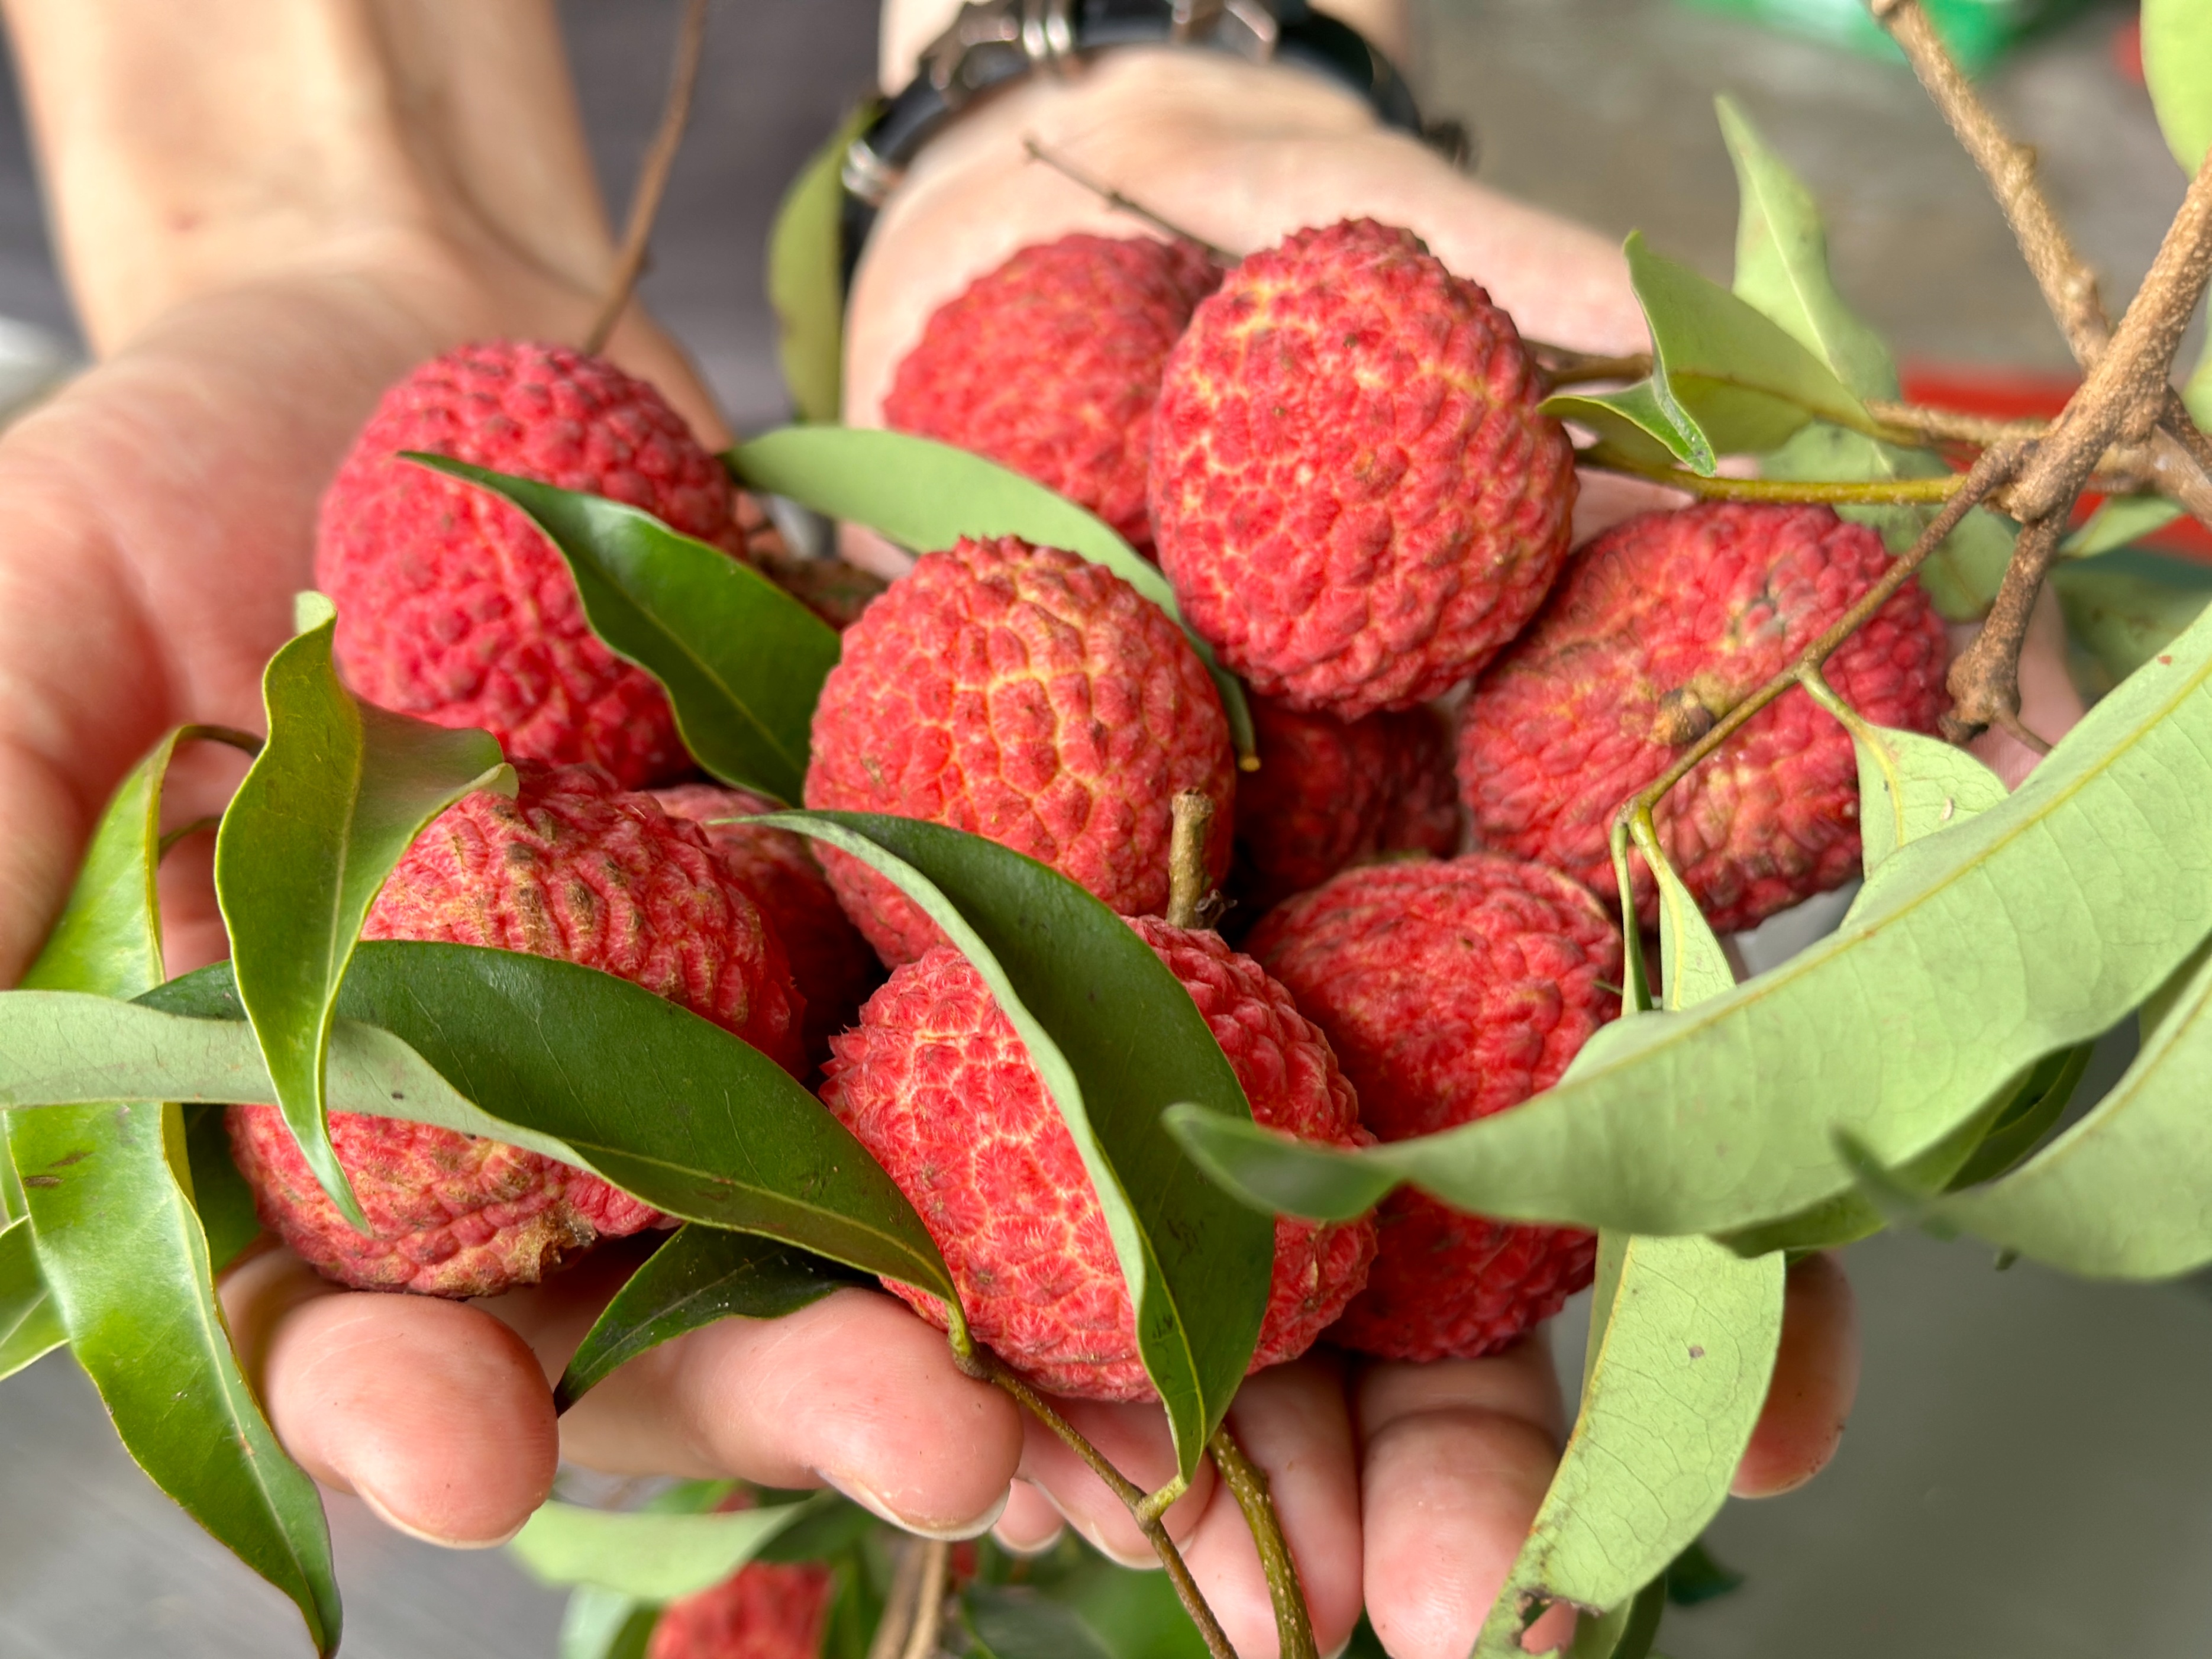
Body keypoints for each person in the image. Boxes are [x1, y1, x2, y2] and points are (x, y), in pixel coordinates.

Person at [0, 3, 2077, 1654]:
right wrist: (301, 236)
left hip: (888, 257)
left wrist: (1126, 55)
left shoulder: (1143, 676)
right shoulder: (834, 747)